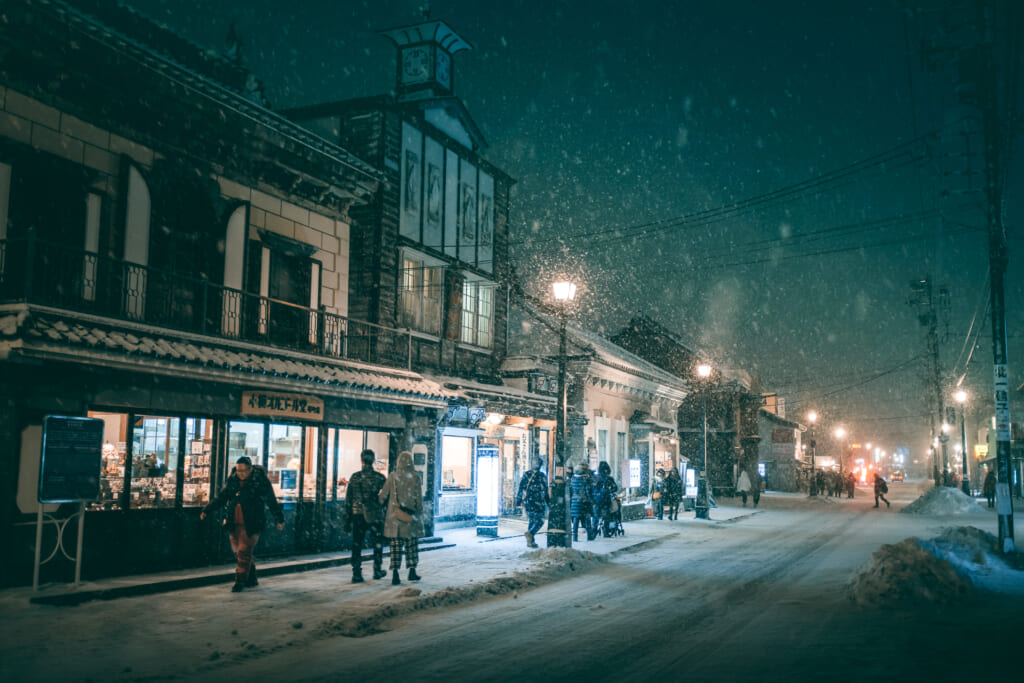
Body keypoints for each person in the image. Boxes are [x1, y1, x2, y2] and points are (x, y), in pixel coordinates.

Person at [201, 456, 284, 592]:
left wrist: (279, 519)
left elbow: (271, 500)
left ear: (250, 469)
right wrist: (207, 510)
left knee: (243, 552)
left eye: (243, 471)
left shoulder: (259, 481)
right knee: (238, 553)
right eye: (238, 471)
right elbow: (222, 497)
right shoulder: (233, 479)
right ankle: (251, 578)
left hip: (252, 522)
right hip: (233, 522)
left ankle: (239, 581)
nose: (240, 474)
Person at [379, 450, 423, 585]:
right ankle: (412, 571)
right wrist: (418, 514)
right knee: (411, 546)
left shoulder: (392, 477)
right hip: (410, 517)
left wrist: (379, 502)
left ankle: (395, 574)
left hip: (395, 518)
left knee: (395, 548)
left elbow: (383, 496)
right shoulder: (415, 477)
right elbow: (419, 500)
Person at [343, 449, 387, 583]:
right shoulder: (380, 478)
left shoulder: (355, 477)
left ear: (361, 461)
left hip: (357, 515)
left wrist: (347, 518)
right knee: (377, 543)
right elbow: (386, 497)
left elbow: (349, 499)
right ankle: (377, 570)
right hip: (374, 515)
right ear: (373, 461)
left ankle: (356, 573)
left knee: (357, 544)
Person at [515, 455, 549, 548]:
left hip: (529, 501)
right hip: (538, 501)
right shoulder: (542, 476)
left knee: (532, 520)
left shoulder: (527, 474)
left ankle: (530, 540)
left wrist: (518, 500)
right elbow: (545, 490)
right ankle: (530, 533)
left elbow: (521, 488)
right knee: (540, 521)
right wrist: (548, 502)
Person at [592, 461, 619, 537]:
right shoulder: (609, 478)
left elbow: (592, 489)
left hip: (596, 500)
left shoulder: (595, 477)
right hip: (605, 500)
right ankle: (606, 532)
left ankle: (594, 531)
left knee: (596, 516)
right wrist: (609, 491)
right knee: (606, 516)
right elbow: (615, 488)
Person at [569, 463, 595, 541]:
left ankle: (575, 537)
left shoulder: (573, 478)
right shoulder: (586, 479)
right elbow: (588, 491)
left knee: (576, 520)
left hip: (575, 501)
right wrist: (591, 500)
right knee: (587, 519)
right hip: (584, 502)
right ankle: (590, 535)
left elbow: (571, 490)